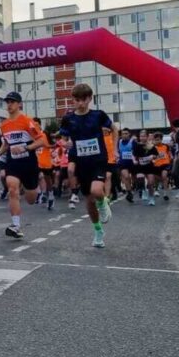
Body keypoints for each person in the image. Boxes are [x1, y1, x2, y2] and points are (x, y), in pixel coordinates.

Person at [58, 83, 114, 248]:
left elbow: (114, 129)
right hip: (81, 162)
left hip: (98, 159)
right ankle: (98, 231)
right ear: (72, 100)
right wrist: (65, 143)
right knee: (89, 201)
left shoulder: (98, 115)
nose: (80, 103)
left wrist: (115, 149)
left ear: (90, 99)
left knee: (96, 191)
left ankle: (103, 203)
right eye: (77, 100)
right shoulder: (68, 119)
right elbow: (63, 139)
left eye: (84, 99)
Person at [0, 92, 46, 239]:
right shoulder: (4, 124)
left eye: (12, 102)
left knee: (31, 199)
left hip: (29, 163)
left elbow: (41, 141)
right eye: (8, 102)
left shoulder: (27, 121)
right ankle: (16, 225)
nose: (9, 105)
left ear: (20, 104)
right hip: (13, 162)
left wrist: (26, 148)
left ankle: (33, 187)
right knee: (12, 188)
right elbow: (6, 143)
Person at [117, 128, 137, 203]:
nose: (124, 135)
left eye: (126, 133)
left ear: (129, 134)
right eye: (123, 134)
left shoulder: (133, 142)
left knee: (134, 179)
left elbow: (136, 152)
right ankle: (129, 193)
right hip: (123, 163)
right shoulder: (119, 142)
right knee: (126, 177)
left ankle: (134, 186)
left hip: (132, 163)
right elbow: (117, 151)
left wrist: (135, 159)